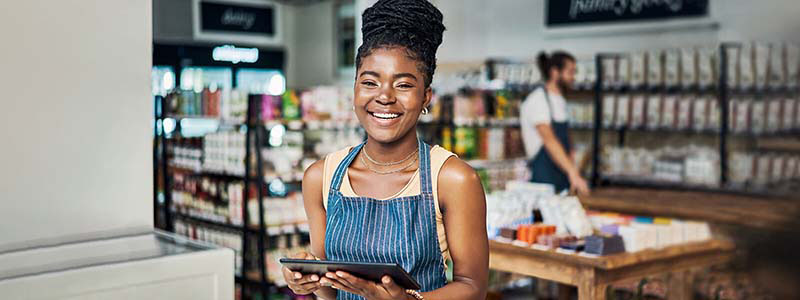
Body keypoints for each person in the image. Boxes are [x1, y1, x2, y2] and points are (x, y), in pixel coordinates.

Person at [281, 1, 489, 299]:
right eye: (369, 82)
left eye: (403, 85)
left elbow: (474, 287)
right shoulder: (321, 178)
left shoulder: (453, 179)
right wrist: (311, 281)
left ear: (426, 96)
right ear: (354, 88)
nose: (385, 97)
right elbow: (330, 292)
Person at [521, 51, 590, 195]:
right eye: (570, 72)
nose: (573, 77)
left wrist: (574, 169)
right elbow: (550, 140)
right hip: (543, 180)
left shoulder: (560, 101)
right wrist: (573, 173)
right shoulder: (538, 100)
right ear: (555, 72)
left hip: (562, 177)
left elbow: (566, 140)